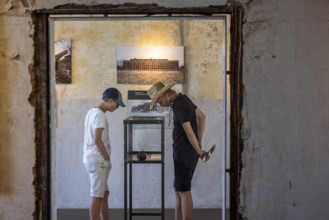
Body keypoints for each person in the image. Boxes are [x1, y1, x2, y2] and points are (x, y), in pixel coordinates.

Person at [148, 81, 209, 220]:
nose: (159, 104)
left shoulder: (179, 105)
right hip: (187, 152)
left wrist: (199, 150)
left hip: (184, 154)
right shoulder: (183, 99)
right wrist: (199, 143)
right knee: (179, 191)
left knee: (184, 191)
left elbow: (189, 132)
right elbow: (202, 117)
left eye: (158, 101)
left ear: (164, 95)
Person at [83, 88, 126, 220]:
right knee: (97, 195)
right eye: (117, 104)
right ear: (110, 100)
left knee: (104, 193)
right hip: (98, 160)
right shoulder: (100, 115)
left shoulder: (91, 112)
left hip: (92, 158)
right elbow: (97, 139)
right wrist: (106, 157)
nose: (117, 107)